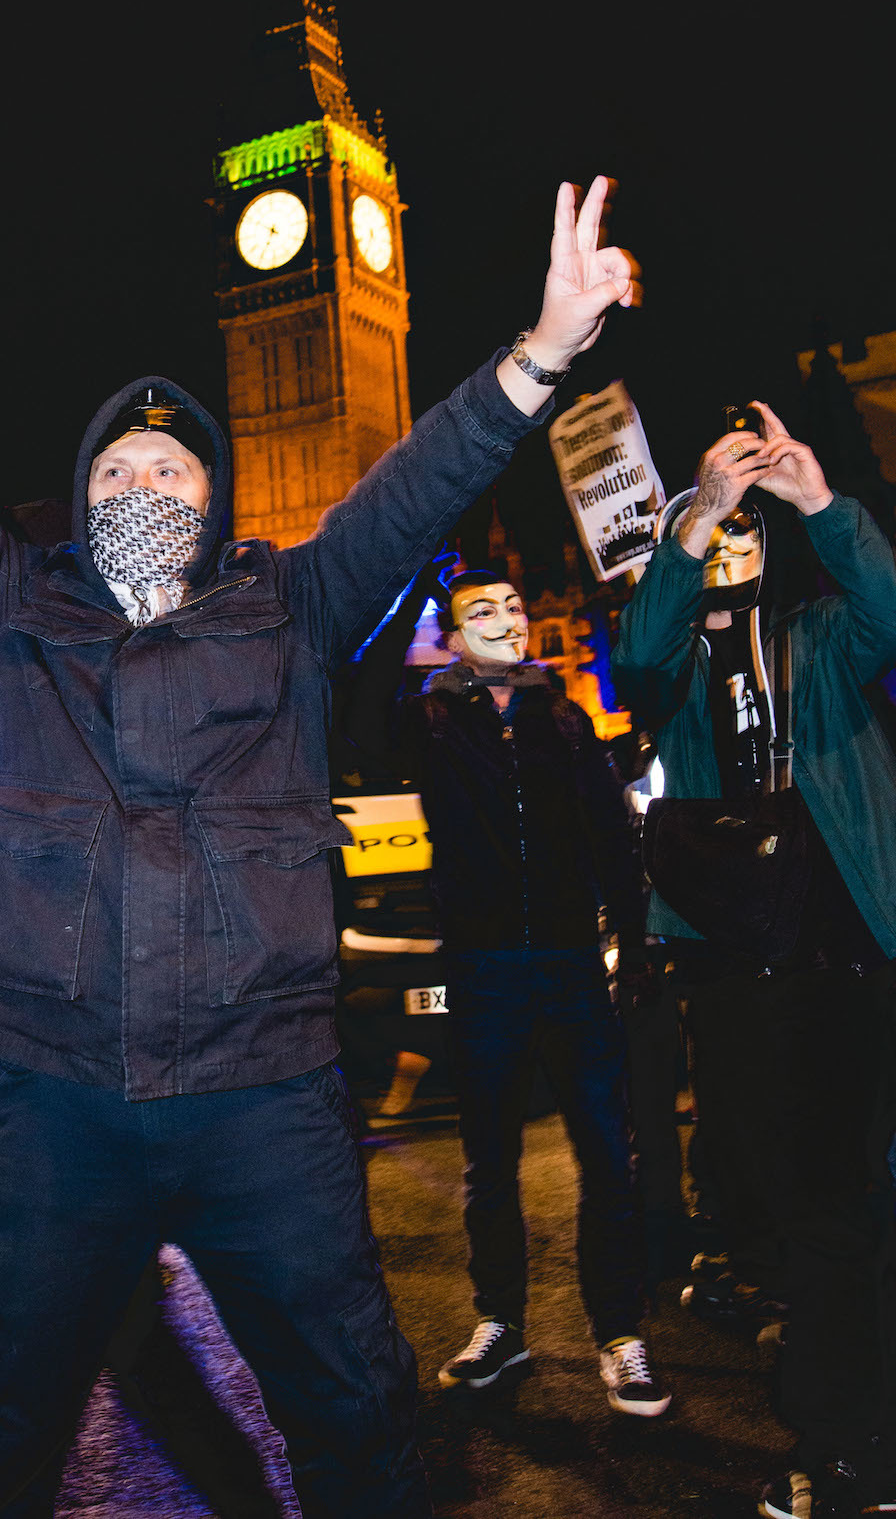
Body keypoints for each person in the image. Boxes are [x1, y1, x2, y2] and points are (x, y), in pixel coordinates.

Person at [0, 98, 639, 1518]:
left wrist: (543, 353)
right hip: (61, 1103)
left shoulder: (292, 607)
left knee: (356, 1412)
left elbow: (416, 489)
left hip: (265, 1100)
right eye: (116, 468)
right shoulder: (11, 609)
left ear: (216, 498)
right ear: (80, 499)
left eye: (171, 466)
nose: (143, 480)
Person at [611, 408, 896, 1519]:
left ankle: (846, 1455)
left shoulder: (823, 634)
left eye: (742, 532)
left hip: (837, 957)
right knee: (793, 1208)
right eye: (713, 530)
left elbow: (891, 606)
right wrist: (696, 518)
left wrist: (818, 501)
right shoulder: (674, 663)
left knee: (839, 1212)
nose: (730, 542)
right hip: (734, 970)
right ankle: (843, 1406)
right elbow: (634, 651)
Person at [343, 561, 670, 1417]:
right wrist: (407, 590)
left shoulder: (565, 718)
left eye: (514, 606)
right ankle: (501, 1323)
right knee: (491, 1162)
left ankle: (620, 1335)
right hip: (483, 972)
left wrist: (631, 941)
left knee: (607, 1155)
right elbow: (357, 709)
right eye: (480, 610)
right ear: (451, 635)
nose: (506, 618)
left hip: (567, 968)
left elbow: (611, 835)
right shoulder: (431, 720)